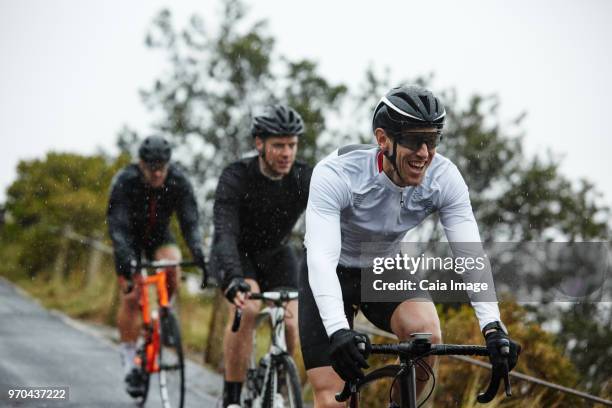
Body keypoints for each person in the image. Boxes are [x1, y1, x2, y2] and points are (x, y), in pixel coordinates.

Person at [300, 85, 520, 407]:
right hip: (331, 271)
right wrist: (337, 330)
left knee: (427, 336)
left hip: (381, 268)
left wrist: (492, 326)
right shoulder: (337, 174)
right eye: (414, 140)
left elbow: (471, 255)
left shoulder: (444, 178)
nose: (424, 153)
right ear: (383, 139)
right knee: (334, 399)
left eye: (432, 140)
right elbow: (321, 258)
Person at [209, 105, 312, 408]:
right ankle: (231, 397)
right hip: (238, 253)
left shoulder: (303, 177)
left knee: (292, 322)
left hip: (277, 252)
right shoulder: (236, 176)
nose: (286, 153)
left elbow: (333, 219)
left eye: (292, 145)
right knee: (249, 311)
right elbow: (224, 232)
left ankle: (279, 383)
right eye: (278, 145)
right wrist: (233, 277)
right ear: (259, 144)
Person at [107, 135, 207, 397]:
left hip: (159, 236)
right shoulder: (125, 180)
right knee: (133, 296)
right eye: (152, 167)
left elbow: (190, 221)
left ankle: (164, 317)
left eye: (162, 166)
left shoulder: (178, 180)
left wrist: (198, 251)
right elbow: (117, 224)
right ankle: (130, 359)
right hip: (129, 239)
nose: (158, 172)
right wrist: (128, 260)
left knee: (172, 265)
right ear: (141, 164)